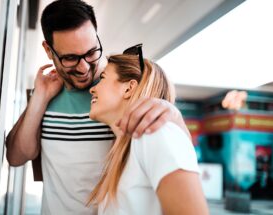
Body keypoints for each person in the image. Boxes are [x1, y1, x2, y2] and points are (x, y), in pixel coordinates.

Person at [6, 0, 189, 214]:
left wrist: (174, 118)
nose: (84, 67)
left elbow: (173, 158)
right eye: (70, 58)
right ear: (48, 50)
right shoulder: (44, 96)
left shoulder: (118, 96)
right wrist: (39, 98)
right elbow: (16, 157)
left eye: (91, 52)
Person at [88, 52, 209, 214]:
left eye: (102, 77)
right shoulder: (122, 150)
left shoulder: (155, 134)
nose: (92, 89)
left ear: (128, 88)